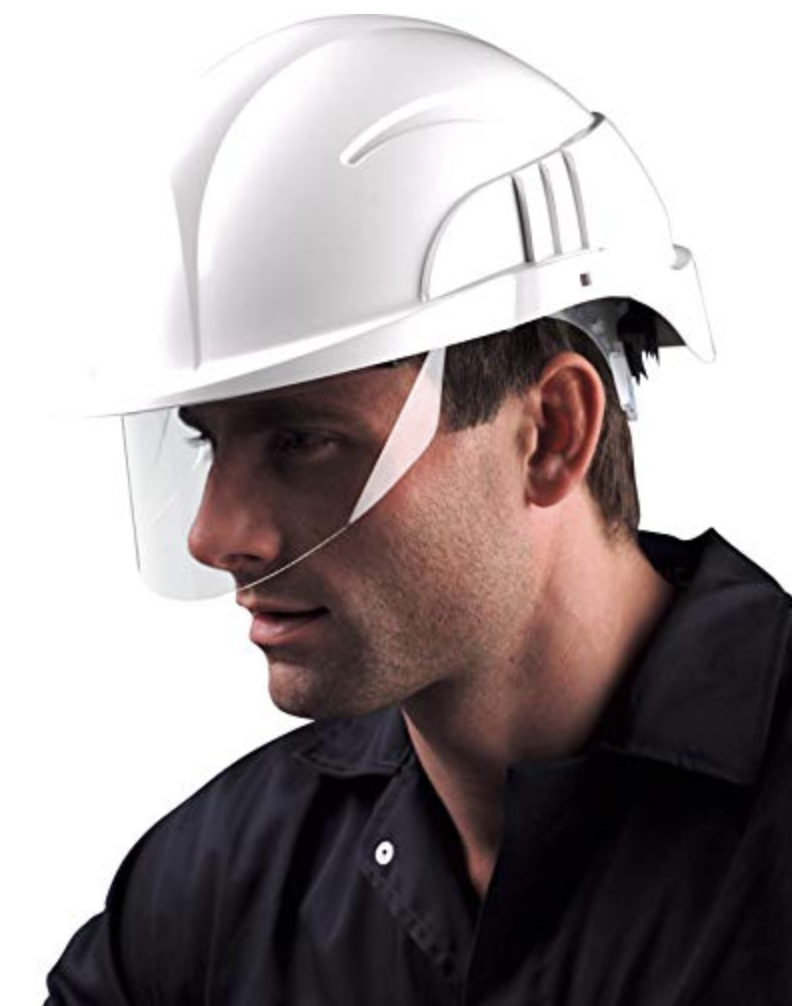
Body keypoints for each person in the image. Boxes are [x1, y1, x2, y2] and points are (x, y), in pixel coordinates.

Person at [45, 14, 792, 1005]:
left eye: (301, 440)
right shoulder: (212, 897)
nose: (216, 535)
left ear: (551, 432)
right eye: (206, 441)